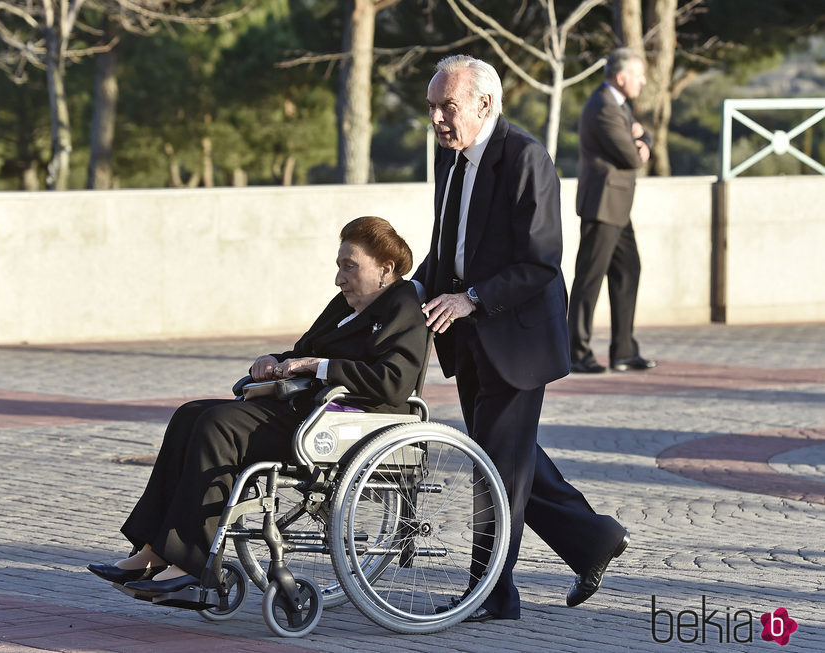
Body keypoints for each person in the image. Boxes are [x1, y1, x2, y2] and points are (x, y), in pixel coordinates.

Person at [88, 216, 428, 598]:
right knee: (189, 414)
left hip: (347, 424)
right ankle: (154, 550)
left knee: (218, 424)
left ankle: (191, 562)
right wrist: (273, 360)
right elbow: (303, 353)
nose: (339, 278)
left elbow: (393, 382)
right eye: (338, 266)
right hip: (307, 413)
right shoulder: (344, 304)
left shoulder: (405, 307)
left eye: (350, 267)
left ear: (386, 269)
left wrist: (319, 367)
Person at [415, 54, 629, 621]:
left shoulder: (526, 157)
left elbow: (541, 261)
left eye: (447, 107)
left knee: (499, 470)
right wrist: (411, 290)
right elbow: (448, 245)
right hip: (467, 337)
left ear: (484, 103)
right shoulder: (450, 156)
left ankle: (493, 592)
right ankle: (593, 539)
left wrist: (472, 298)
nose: (437, 118)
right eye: (432, 107)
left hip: (516, 339)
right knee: (506, 458)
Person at [568, 47, 657, 374]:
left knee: (628, 271)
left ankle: (622, 351)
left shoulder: (619, 104)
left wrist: (641, 137)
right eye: (638, 75)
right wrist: (640, 144)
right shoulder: (603, 106)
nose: (643, 81)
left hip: (618, 207)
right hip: (603, 205)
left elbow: (641, 137)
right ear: (620, 77)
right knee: (589, 280)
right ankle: (577, 354)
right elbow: (632, 157)